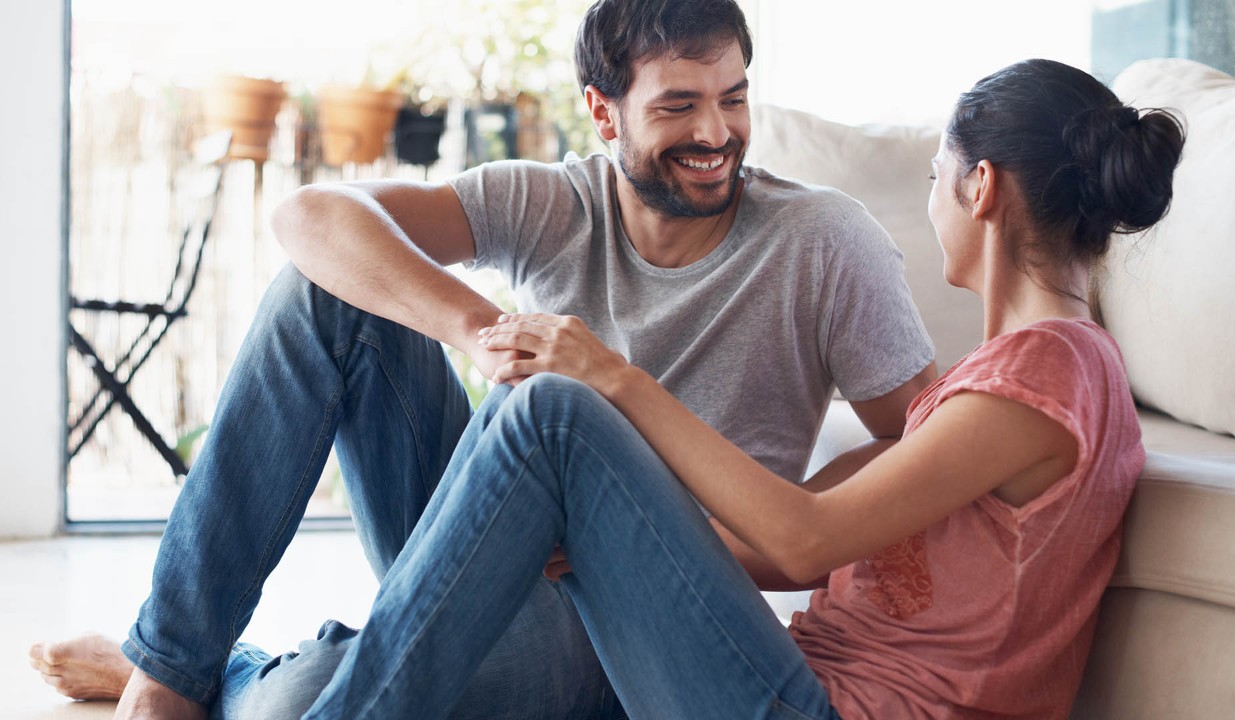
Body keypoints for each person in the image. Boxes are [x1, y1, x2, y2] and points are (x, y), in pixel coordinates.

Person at [29, 1, 937, 718]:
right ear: (602, 111)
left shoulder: (821, 239)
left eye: (734, 97)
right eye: (678, 106)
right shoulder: (553, 203)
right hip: (485, 537)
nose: (717, 133)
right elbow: (309, 217)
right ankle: (168, 671)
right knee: (324, 292)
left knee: (294, 705)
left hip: (636, 614)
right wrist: (479, 330)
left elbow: (921, 439)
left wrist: (731, 538)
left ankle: (209, 667)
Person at [290, 58, 1186, 719]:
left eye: (935, 180)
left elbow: (804, 540)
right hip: (797, 682)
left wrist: (617, 378)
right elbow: (787, 538)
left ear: (980, 187)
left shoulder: (1049, 373)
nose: (932, 204)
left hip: (831, 710)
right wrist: (606, 541)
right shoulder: (1012, 379)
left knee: (556, 411)